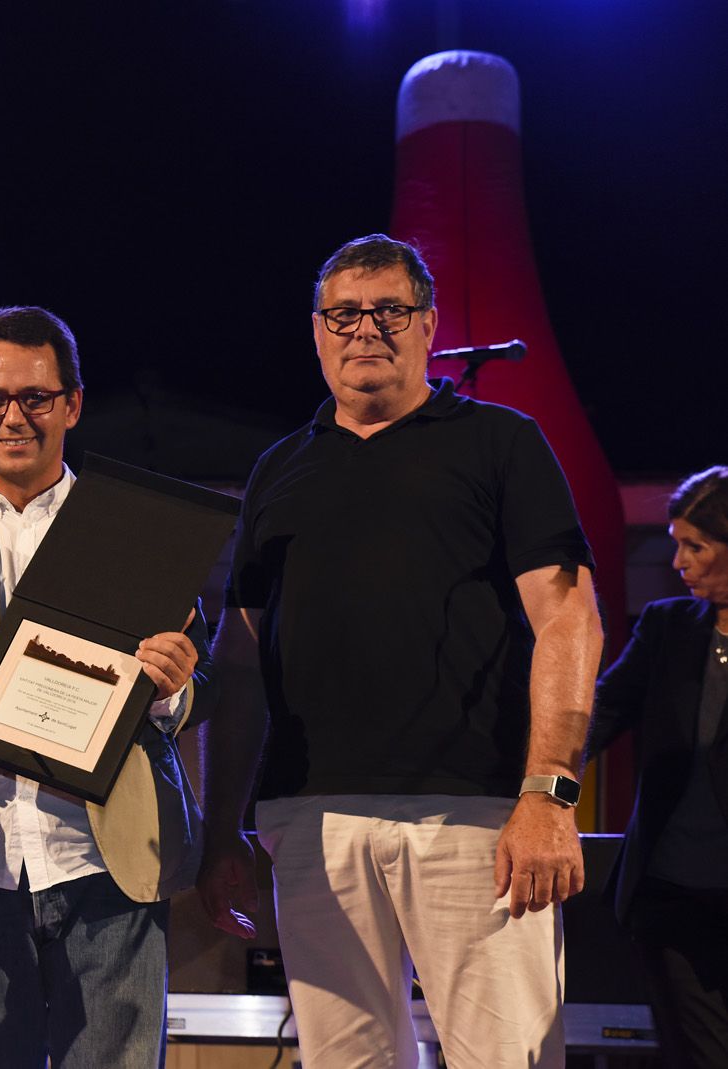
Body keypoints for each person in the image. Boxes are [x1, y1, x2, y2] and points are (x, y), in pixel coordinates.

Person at [197, 234, 604, 1068]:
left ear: (428, 326)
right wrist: (220, 831)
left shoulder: (501, 443)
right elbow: (238, 663)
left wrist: (550, 794)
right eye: (344, 313)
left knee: (504, 1058)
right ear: (317, 332)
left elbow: (570, 620)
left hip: (477, 818)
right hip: (310, 822)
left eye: (390, 311)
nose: (366, 329)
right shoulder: (278, 469)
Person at [0, 306, 207, 1068]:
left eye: (35, 397)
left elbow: (196, 679)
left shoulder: (137, 532)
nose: (13, 417)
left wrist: (167, 689)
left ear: (72, 404)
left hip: (108, 862)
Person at [587, 466, 728, 1067]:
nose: (678, 562)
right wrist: (527, 781)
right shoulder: (667, 626)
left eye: (695, 546)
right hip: (672, 895)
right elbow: (598, 716)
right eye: (677, 544)